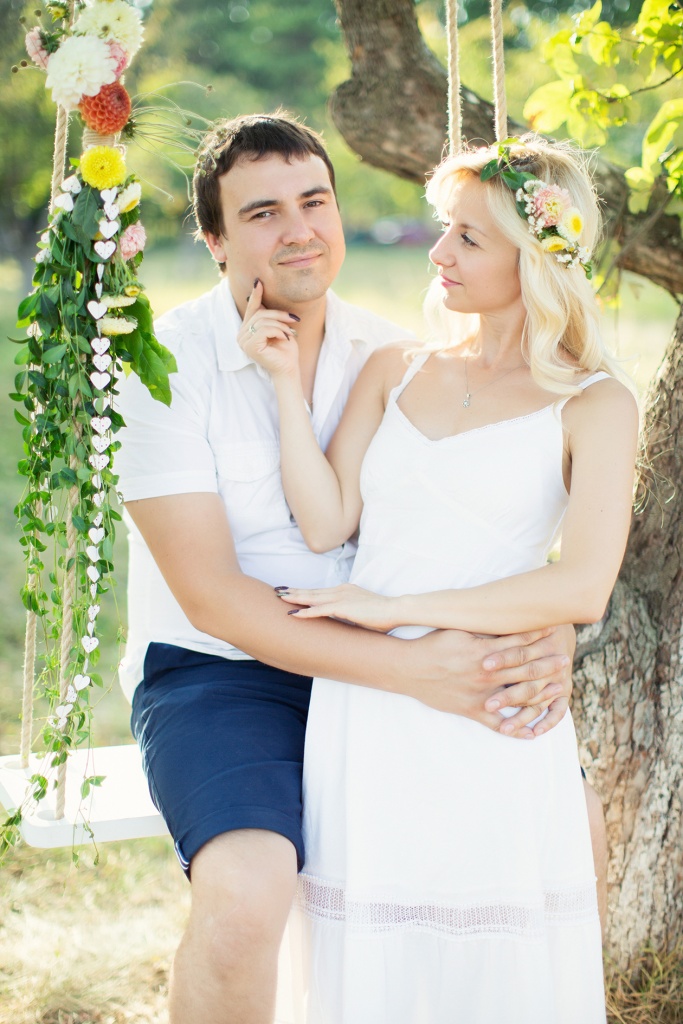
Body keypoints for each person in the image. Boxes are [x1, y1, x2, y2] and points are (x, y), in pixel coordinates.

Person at [115, 114, 592, 1024]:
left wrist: (545, 633)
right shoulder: (162, 368)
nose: (299, 230)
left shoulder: (396, 357)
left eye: (314, 201)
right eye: (262, 213)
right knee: (248, 894)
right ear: (214, 241)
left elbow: (479, 520)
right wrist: (413, 669)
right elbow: (214, 599)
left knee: (571, 838)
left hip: (402, 648)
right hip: (224, 675)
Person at [239, 134, 638, 1022]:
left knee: (489, 959)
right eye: (444, 228)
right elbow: (326, 521)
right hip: (367, 710)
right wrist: (283, 384)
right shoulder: (398, 368)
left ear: (532, 258)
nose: (438, 253)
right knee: (368, 955)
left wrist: (394, 609)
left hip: (491, 704)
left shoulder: (596, 403)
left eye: (468, 237)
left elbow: (581, 587)